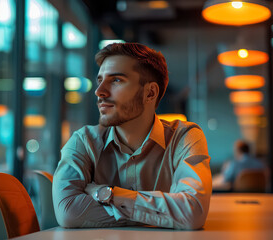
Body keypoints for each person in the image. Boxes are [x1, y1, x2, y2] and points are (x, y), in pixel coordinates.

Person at [52, 43, 212, 230]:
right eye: (100, 80)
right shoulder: (83, 141)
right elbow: (68, 211)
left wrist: (106, 194)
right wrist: (164, 215)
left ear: (150, 93)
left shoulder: (185, 136)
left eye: (116, 80)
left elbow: (193, 212)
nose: (99, 91)